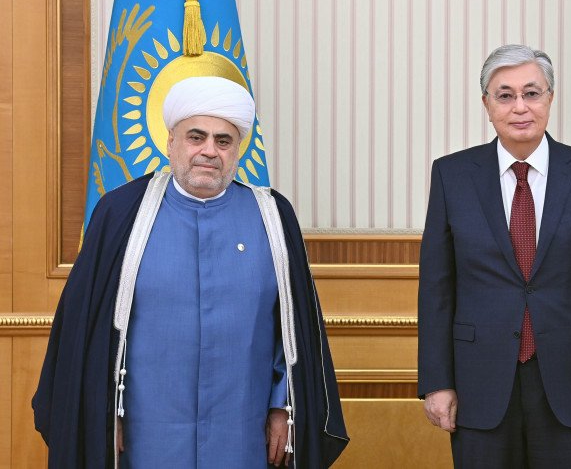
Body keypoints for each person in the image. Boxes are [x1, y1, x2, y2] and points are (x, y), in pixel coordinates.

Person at [33, 76, 348, 468]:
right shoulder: (122, 214)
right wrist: (100, 414)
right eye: (196, 137)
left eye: (223, 141)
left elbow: (293, 329)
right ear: (171, 142)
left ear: (237, 150)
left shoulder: (273, 215)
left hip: (242, 433)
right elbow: (87, 333)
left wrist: (284, 407)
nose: (209, 151)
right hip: (145, 436)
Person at [418, 44, 571, 467]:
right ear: (487, 104)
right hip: (479, 382)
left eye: (532, 93)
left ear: (550, 98)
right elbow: (436, 289)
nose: (520, 107)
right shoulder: (452, 175)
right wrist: (437, 382)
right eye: (505, 95)